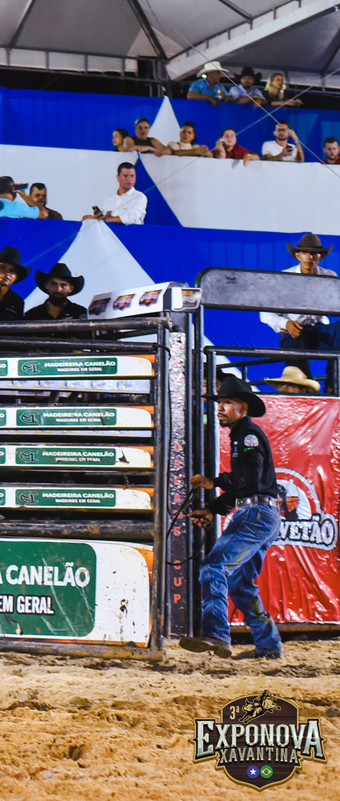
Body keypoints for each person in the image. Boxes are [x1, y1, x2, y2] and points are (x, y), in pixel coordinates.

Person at [181, 376, 284, 660]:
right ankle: (268, 646)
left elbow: (250, 474)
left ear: (243, 408)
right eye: (220, 402)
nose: (221, 408)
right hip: (263, 514)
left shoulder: (247, 435)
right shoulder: (243, 434)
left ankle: (216, 633)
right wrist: (213, 509)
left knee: (213, 566)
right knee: (240, 584)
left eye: (227, 402)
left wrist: (213, 482)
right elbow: (247, 483)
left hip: (255, 514)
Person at [259, 233, 336, 374]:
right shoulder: (284, 278)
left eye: (314, 253)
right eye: (305, 253)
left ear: (321, 257)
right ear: (298, 255)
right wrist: (286, 324)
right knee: (293, 354)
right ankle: (305, 384)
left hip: (319, 330)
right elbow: (265, 314)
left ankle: (334, 382)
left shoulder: (329, 276)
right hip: (294, 332)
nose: (310, 257)